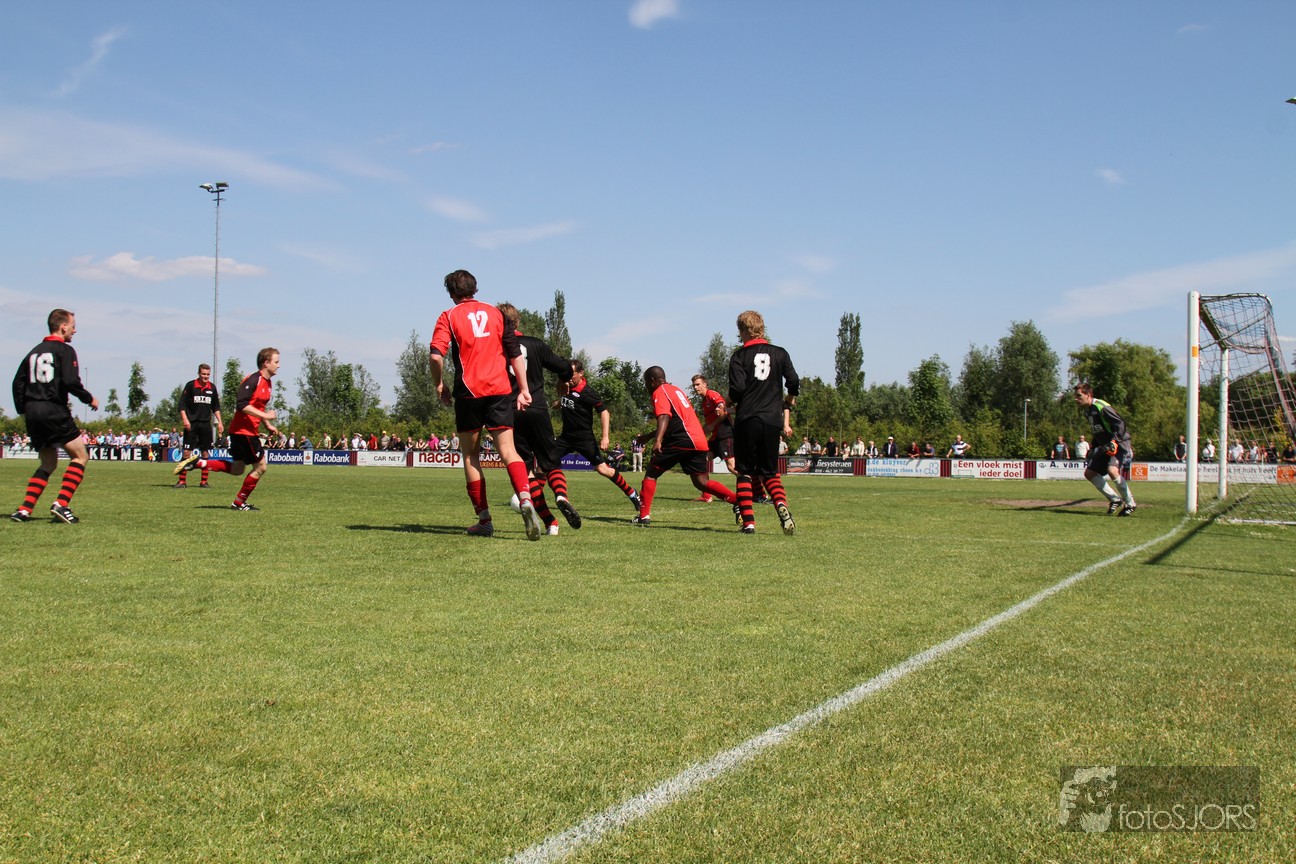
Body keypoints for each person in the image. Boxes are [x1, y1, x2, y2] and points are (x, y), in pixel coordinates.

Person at [424, 270, 543, 539]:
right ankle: (525, 498)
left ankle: (485, 520)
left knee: (470, 456)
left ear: (451, 293)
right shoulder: (496, 313)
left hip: (469, 393)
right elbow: (515, 354)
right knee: (509, 451)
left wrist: (439, 384)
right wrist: (524, 390)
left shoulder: (448, 316)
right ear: (475, 289)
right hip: (500, 391)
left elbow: (435, 357)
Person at [496, 302, 581, 536]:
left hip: (509, 411)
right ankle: (561, 496)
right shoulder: (535, 344)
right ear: (518, 321)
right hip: (536, 408)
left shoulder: (494, 346)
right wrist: (563, 380)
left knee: (525, 469)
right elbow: (565, 367)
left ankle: (550, 522)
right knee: (550, 462)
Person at [10, 309, 99, 523]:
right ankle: (61, 503)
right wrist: (89, 399)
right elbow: (70, 381)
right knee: (80, 456)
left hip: (32, 412)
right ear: (63, 326)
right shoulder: (65, 350)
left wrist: (24, 409)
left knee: (48, 463)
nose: (75, 330)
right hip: (53, 409)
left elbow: (17, 383)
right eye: (73, 326)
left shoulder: (33, 352)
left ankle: (24, 509)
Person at [174, 348, 281, 511]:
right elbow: (242, 404)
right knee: (261, 467)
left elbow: (257, 406)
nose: (278, 365)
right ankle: (239, 503)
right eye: (276, 362)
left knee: (237, 469)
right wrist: (266, 416)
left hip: (245, 431)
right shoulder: (253, 380)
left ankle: (200, 462)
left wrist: (267, 424)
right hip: (243, 432)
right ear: (266, 363)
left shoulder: (268, 383)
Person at [632, 367, 739, 526]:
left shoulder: (660, 391)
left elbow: (664, 417)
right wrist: (648, 437)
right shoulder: (676, 390)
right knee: (701, 482)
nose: (647, 386)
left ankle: (643, 516)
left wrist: (658, 440)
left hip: (681, 440)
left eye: (646, 383)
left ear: (652, 381)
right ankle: (737, 501)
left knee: (651, 474)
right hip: (698, 440)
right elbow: (673, 421)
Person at [729, 309, 799, 535]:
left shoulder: (739, 356)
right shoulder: (780, 353)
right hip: (772, 420)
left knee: (745, 472)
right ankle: (781, 504)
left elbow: (738, 389)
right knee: (770, 472)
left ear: (742, 330)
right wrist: (789, 398)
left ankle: (749, 523)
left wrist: (728, 401)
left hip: (747, 418)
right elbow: (793, 380)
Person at [554, 360, 642, 513]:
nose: (568, 377)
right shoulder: (566, 386)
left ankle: (632, 493)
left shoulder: (588, 392)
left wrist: (605, 437)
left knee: (603, 469)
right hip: (566, 438)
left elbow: (604, 412)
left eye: (571, 374)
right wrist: (559, 402)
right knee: (545, 461)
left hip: (584, 439)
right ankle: (535, 498)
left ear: (581, 373)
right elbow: (565, 396)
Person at [1074, 382, 1136, 516]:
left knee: (1112, 470)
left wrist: (1114, 441)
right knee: (1089, 473)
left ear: (1088, 394)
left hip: (1119, 442)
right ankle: (1115, 499)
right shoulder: (1088, 411)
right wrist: (1093, 446)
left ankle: (1130, 504)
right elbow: (1099, 431)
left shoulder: (1101, 406)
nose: (1076, 399)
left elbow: (1120, 424)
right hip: (1105, 445)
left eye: (1079, 396)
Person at [174, 363, 224, 488]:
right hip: (191, 424)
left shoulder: (212, 388)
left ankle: (204, 482)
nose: (205, 376)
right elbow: (181, 405)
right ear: (198, 373)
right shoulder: (191, 386)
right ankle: (182, 481)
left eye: (208, 374)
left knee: (205, 453)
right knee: (187, 452)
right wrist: (185, 419)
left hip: (205, 424)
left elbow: (216, 407)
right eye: (203, 374)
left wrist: (220, 422)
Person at [690, 374, 736, 503]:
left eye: (698, 384)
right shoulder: (704, 402)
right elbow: (708, 424)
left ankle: (753, 490)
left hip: (725, 435)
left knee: (732, 467)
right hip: (716, 438)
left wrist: (713, 422)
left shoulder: (711, 394)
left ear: (705, 384)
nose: (695, 387)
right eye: (694, 385)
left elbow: (723, 408)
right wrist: (699, 434)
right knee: (702, 459)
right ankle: (706, 495)